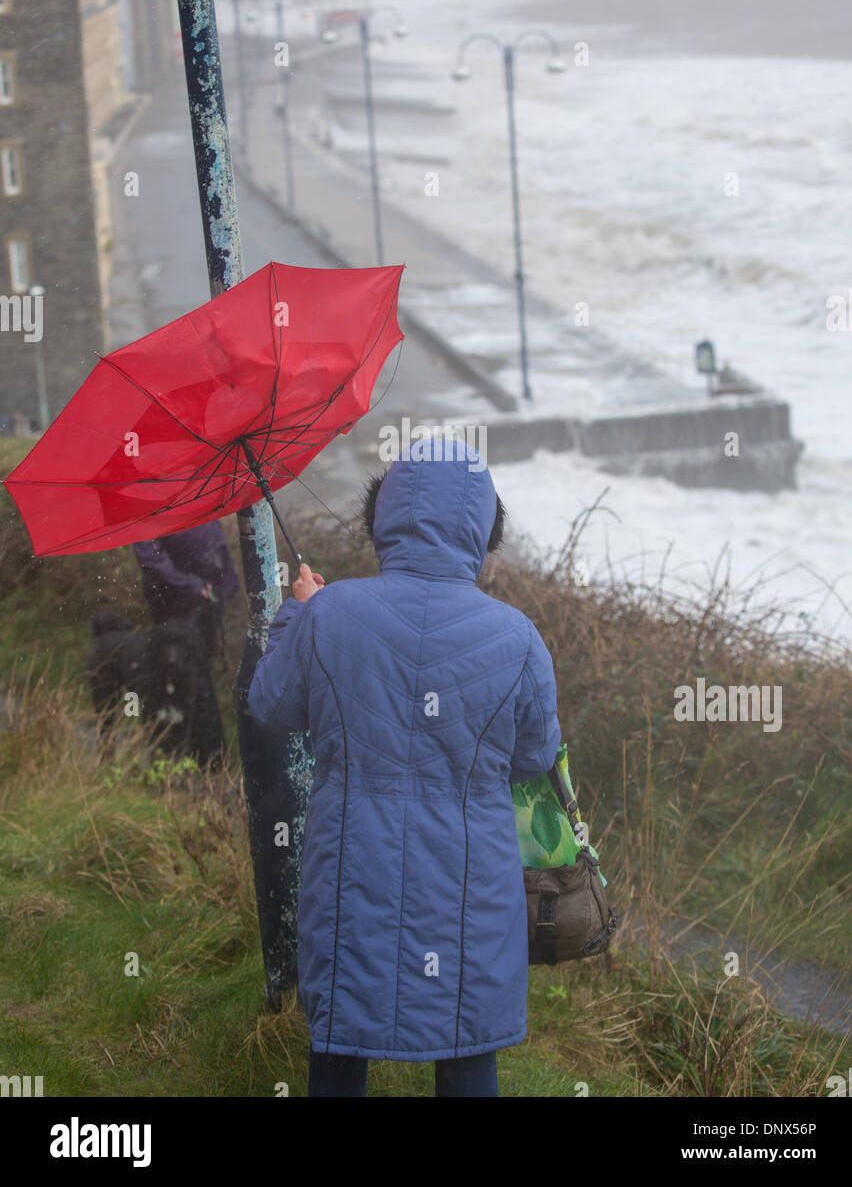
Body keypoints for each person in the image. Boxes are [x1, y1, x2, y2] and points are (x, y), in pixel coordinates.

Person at [248, 436, 561, 1098]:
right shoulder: (518, 637)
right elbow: (534, 757)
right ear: (484, 528)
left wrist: (297, 612)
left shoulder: (330, 613)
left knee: (340, 1042)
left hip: (351, 868)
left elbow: (272, 703)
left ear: (382, 519)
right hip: (472, 879)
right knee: (466, 1042)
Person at [132, 522, 240, 763]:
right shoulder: (147, 504)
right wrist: (193, 586)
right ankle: (196, 756)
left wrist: (224, 589)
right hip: (174, 606)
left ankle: (204, 756)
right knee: (188, 678)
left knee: (198, 677)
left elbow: (217, 546)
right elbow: (152, 559)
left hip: (204, 605)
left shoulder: (194, 493)